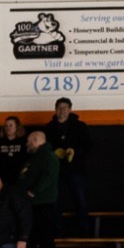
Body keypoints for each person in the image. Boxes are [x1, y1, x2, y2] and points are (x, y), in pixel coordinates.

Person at [45, 97, 91, 233]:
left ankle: (84, 231)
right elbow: (43, 148)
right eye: (59, 108)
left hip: (75, 170)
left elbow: (88, 146)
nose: (62, 111)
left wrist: (75, 152)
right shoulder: (48, 128)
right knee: (55, 202)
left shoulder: (80, 126)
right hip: (56, 172)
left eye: (65, 108)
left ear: (70, 110)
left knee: (81, 200)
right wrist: (53, 153)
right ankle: (57, 230)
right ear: (55, 109)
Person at [17, 130, 60, 248]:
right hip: (30, 204)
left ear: (35, 140)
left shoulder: (49, 157)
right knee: (30, 235)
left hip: (43, 203)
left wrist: (33, 191)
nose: (26, 144)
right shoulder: (34, 158)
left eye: (28, 141)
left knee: (45, 234)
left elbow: (48, 176)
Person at [0, 116, 28, 183]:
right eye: (6, 126)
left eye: (11, 125)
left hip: (19, 173)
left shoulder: (23, 141)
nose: (8, 128)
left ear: (17, 127)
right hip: (2, 173)